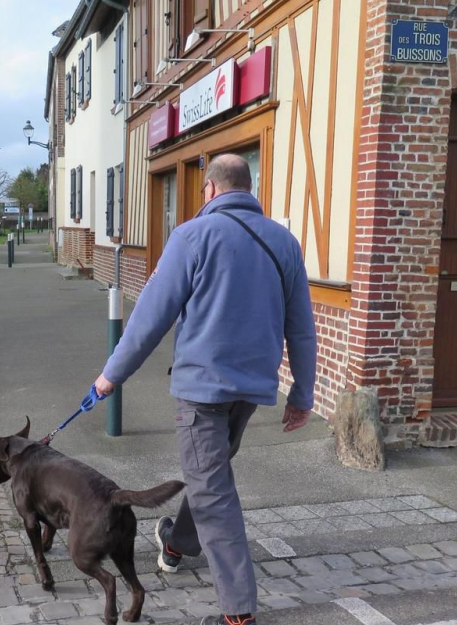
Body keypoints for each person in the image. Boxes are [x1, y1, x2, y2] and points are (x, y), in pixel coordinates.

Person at [93, 154, 317, 625]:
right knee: (209, 475)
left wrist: (111, 375)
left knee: (214, 492)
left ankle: (238, 613)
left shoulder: (191, 236)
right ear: (247, 188)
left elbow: (151, 317)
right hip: (250, 391)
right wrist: (302, 394)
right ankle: (176, 544)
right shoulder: (285, 243)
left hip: (201, 391)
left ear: (210, 190)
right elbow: (301, 329)